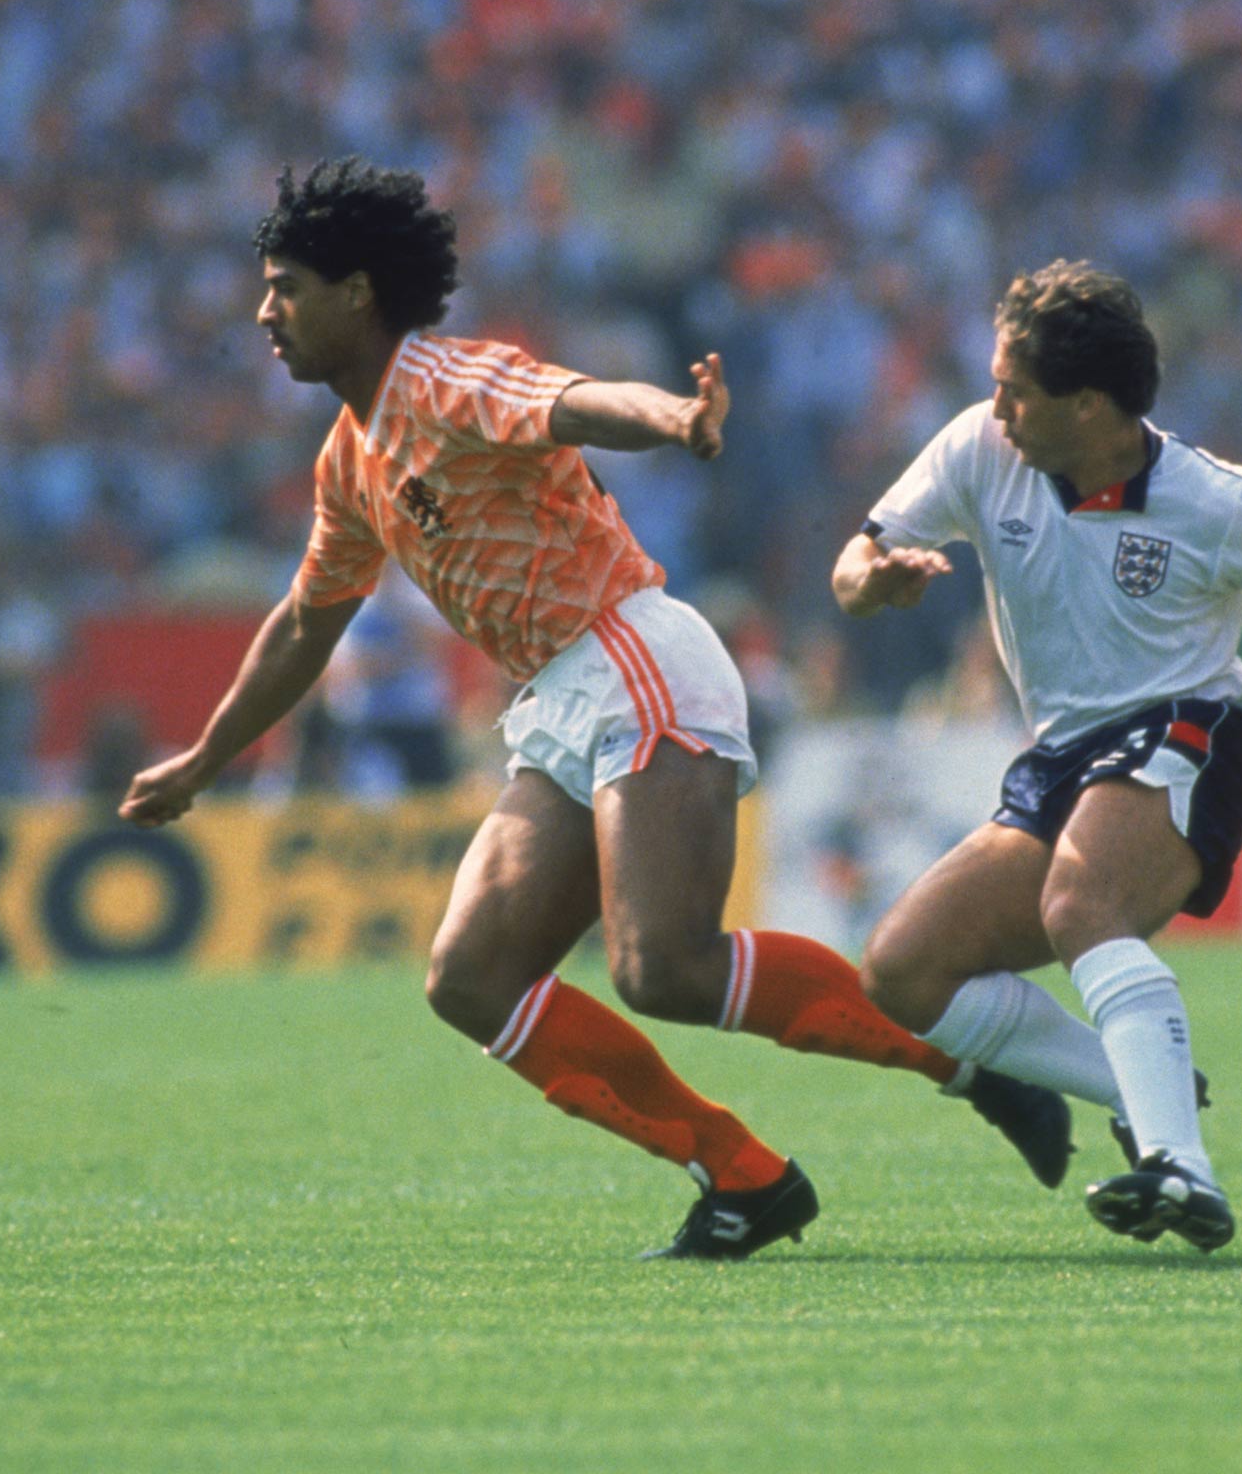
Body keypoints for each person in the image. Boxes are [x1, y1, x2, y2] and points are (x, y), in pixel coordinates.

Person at [118, 159, 1070, 1259]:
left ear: (357, 293)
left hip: (630, 656)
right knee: (471, 977)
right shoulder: (351, 458)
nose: (264, 313)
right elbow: (304, 622)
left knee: (663, 967)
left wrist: (673, 417)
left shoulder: (442, 379)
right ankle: (743, 1176)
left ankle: (967, 1059)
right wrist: (204, 760)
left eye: (286, 288)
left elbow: (568, 402)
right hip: (560, 701)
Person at [833, 260, 1242, 1252]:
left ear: (1089, 405)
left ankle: (1180, 1168)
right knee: (902, 971)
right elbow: (857, 558)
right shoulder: (979, 447)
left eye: (1016, 390)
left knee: (1078, 904)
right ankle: (1144, 1085)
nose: (996, 407)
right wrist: (870, 583)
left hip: (1183, 728)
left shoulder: (1220, 501)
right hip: (1059, 759)